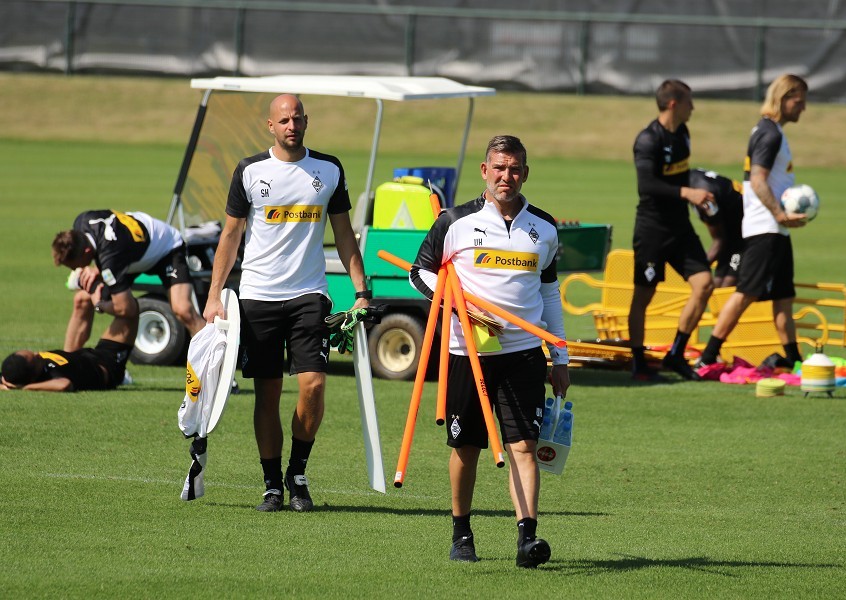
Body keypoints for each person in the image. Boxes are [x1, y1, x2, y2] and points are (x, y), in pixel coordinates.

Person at [202, 94, 369, 513]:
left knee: (313, 385)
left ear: (306, 122)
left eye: (297, 118)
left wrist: (361, 290)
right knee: (268, 393)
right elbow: (230, 236)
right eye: (283, 120)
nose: (291, 125)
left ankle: (298, 472)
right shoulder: (250, 170)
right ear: (270, 126)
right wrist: (213, 296)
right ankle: (272, 483)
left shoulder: (328, 169)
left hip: (309, 294)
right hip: (257, 296)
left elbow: (345, 233)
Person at [409, 135, 570, 568]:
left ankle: (527, 540)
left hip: (523, 354)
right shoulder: (455, 221)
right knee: (466, 449)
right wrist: (461, 311)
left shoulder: (544, 227)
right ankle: (462, 533)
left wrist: (560, 358)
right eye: (499, 167)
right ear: (485, 171)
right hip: (467, 354)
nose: (506, 176)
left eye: (515, 168)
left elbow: (550, 294)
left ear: (525, 173)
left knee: (524, 445)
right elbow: (418, 273)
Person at [696, 74, 810, 370]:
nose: (804, 108)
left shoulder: (770, 131)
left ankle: (794, 358)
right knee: (745, 292)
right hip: (766, 228)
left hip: (776, 229)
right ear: (784, 98)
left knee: (784, 296)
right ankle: (708, 356)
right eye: (800, 100)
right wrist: (780, 213)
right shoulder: (770, 133)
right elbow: (758, 181)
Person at [628, 80, 715, 381]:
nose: (694, 107)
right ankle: (638, 361)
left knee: (704, 284)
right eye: (690, 101)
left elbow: (682, 175)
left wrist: (698, 196)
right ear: (674, 104)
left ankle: (676, 354)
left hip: (681, 227)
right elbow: (647, 185)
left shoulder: (684, 134)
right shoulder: (648, 139)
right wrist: (687, 193)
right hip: (652, 230)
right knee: (643, 296)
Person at [52, 210, 206, 351]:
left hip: (167, 249)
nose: (75, 270)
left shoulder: (109, 260)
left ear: (86, 251)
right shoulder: (81, 221)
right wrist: (95, 268)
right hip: (129, 255)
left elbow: (126, 307)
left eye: (75, 265)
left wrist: (99, 304)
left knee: (184, 310)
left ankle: (216, 367)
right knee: (81, 300)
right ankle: (66, 365)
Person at [1, 336, 132, 392]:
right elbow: (64, 384)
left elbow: (6, 380)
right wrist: (26, 388)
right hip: (108, 365)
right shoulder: (52, 375)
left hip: (88, 354)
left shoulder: (14, 371)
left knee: (81, 300)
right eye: (35, 358)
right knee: (128, 311)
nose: (37, 353)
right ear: (33, 375)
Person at [690, 168, 744, 288]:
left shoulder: (705, 199)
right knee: (717, 284)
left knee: (727, 284)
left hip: (747, 235)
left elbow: (719, 241)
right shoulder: (691, 176)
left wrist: (697, 269)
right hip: (732, 231)